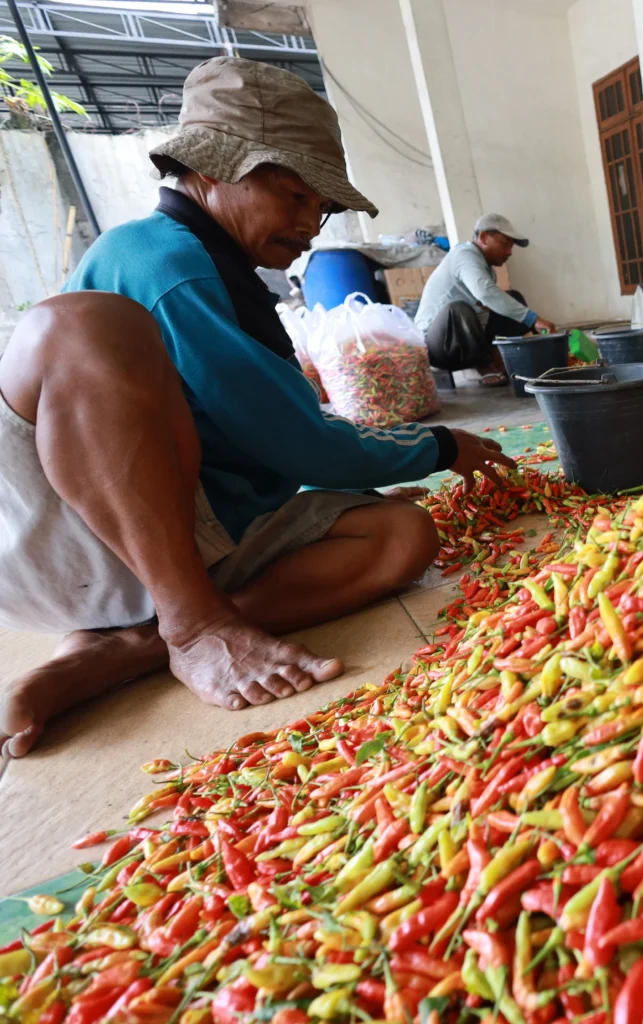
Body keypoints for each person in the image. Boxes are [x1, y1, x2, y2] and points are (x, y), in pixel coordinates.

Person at [0, 57, 519, 757]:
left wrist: (360, 486)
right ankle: (190, 627)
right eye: (291, 194)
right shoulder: (161, 260)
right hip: (84, 535)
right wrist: (439, 447)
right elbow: (296, 441)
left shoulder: (223, 268)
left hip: (192, 528)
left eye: (321, 206)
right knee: (83, 325)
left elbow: (265, 431)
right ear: (211, 170)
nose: (310, 222)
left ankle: (129, 648)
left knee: (402, 534)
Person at [415, 214, 556, 385]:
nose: (509, 252)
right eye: (505, 244)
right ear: (483, 237)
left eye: (511, 247)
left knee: (512, 298)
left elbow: (490, 304)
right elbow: (486, 293)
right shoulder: (464, 255)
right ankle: (483, 366)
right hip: (437, 346)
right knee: (459, 311)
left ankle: (498, 361)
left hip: (464, 340)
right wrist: (533, 319)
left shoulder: (486, 268)